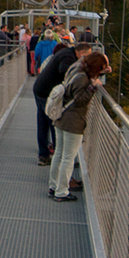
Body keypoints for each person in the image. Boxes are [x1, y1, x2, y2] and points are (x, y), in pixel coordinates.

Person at [49, 51, 110, 201]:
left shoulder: (77, 70)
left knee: (59, 153)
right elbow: (80, 100)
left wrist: (100, 74)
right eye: (100, 68)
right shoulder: (83, 79)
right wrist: (93, 88)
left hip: (62, 117)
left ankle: (54, 186)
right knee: (68, 158)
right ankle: (61, 192)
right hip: (73, 121)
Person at [32, 39, 91, 167]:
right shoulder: (68, 58)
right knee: (54, 123)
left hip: (40, 89)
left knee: (43, 124)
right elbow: (65, 72)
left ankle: (44, 156)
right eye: (88, 55)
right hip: (46, 92)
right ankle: (60, 160)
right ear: (81, 53)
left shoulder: (66, 52)